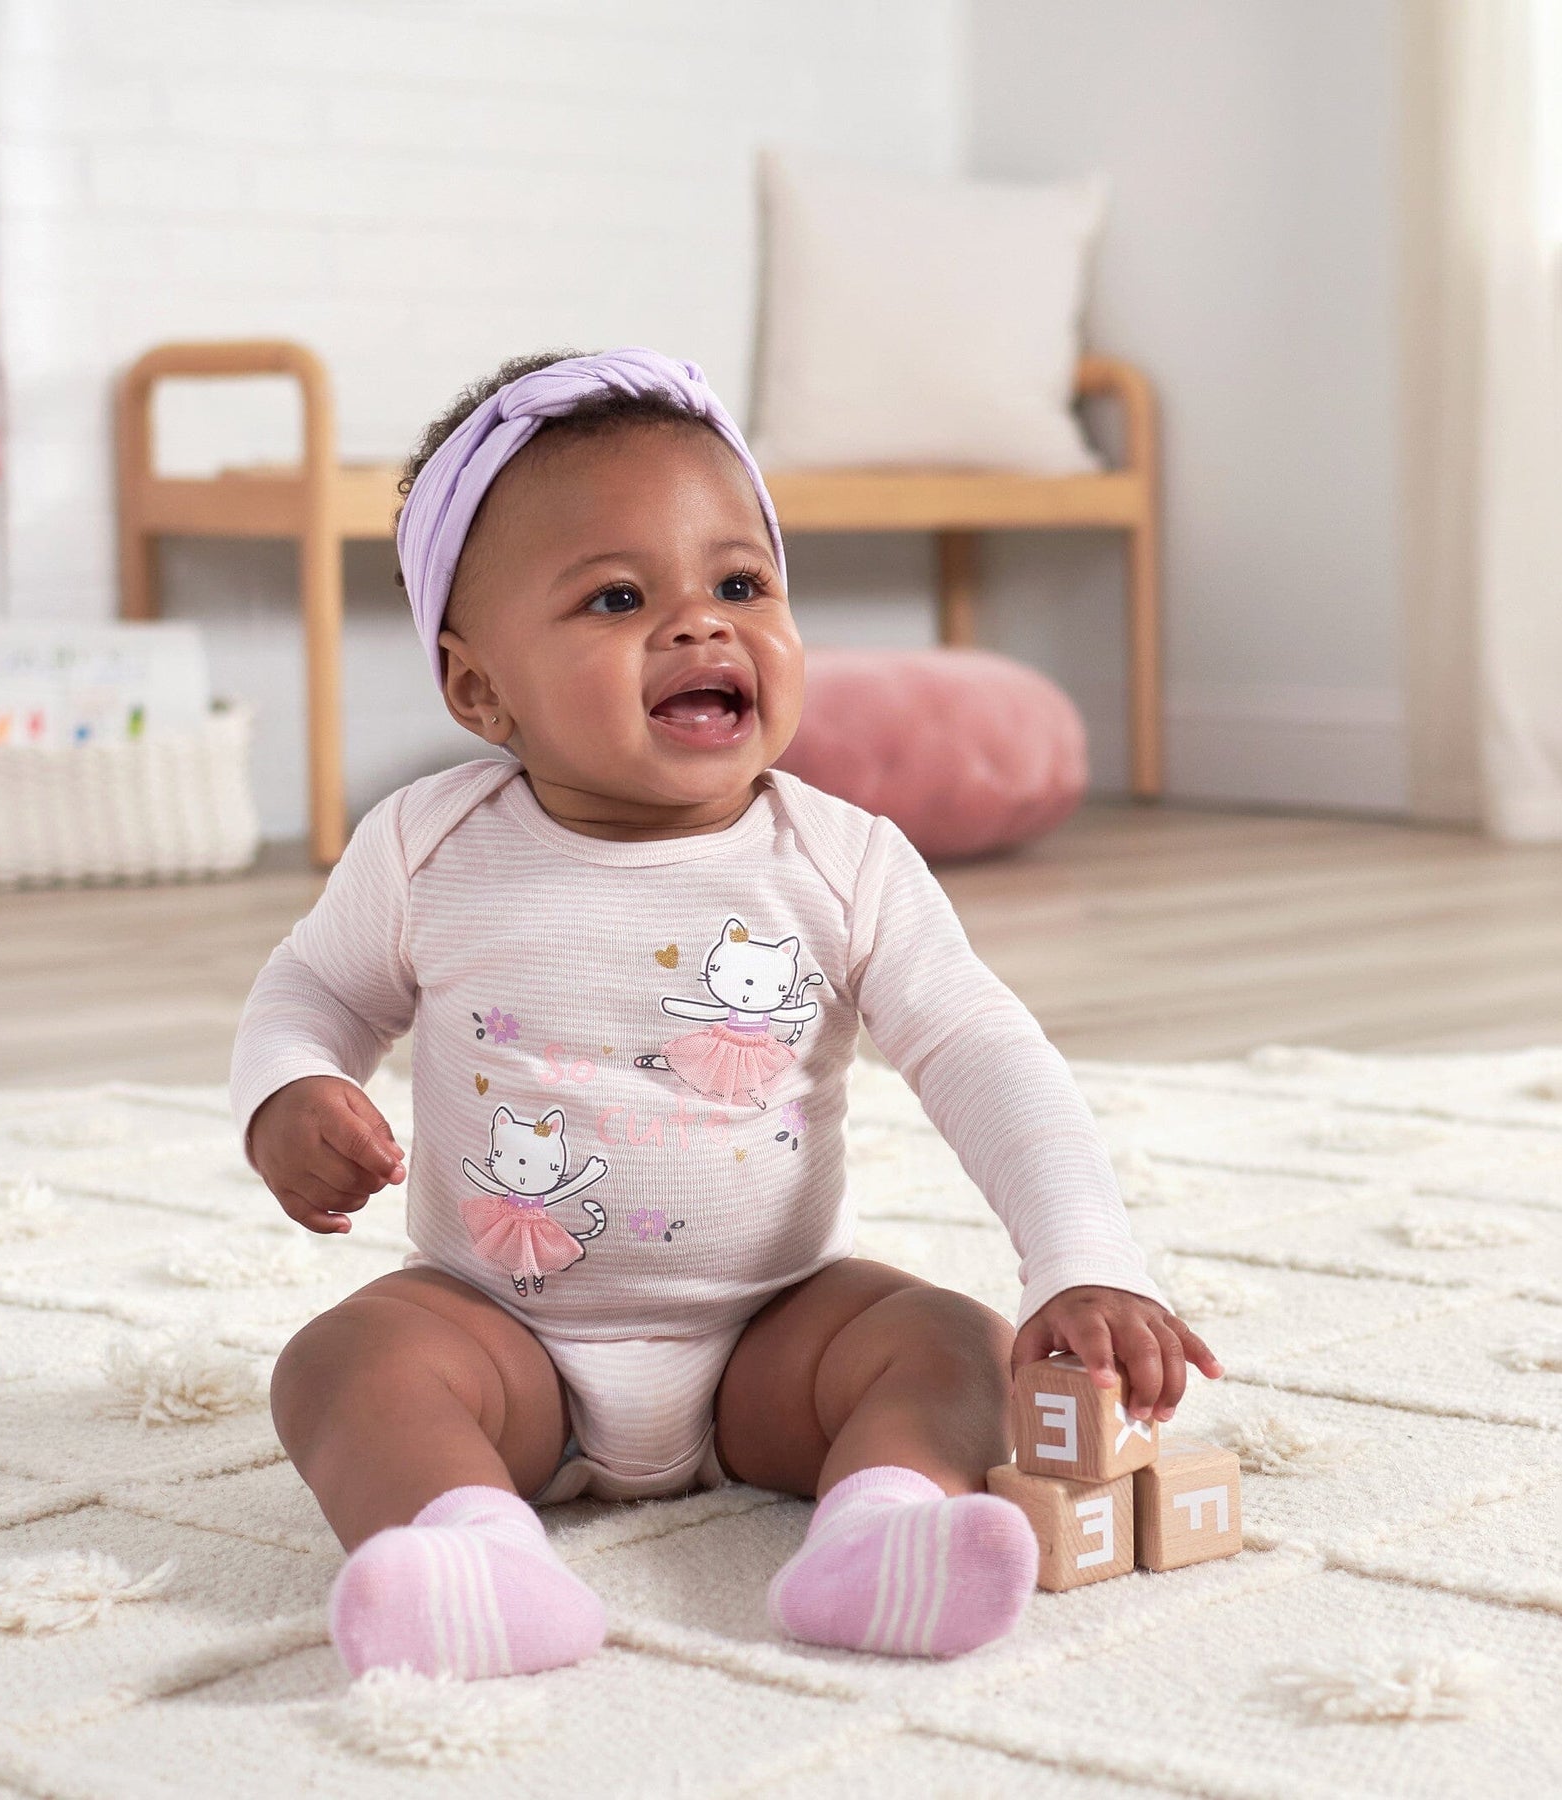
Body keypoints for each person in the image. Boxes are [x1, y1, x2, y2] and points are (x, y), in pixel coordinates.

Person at [231, 347, 1222, 1680]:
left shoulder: (843, 860)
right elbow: (312, 989)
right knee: (340, 1366)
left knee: (952, 1347)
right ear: (479, 689)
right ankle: (467, 1550)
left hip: (779, 1336)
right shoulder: (427, 847)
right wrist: (290, 1088)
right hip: (500, 1339)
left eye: (742, 585)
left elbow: (982, 1051)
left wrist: (1086, 1259)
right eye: (618, 596)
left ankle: (886, 1527)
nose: (703, 627)